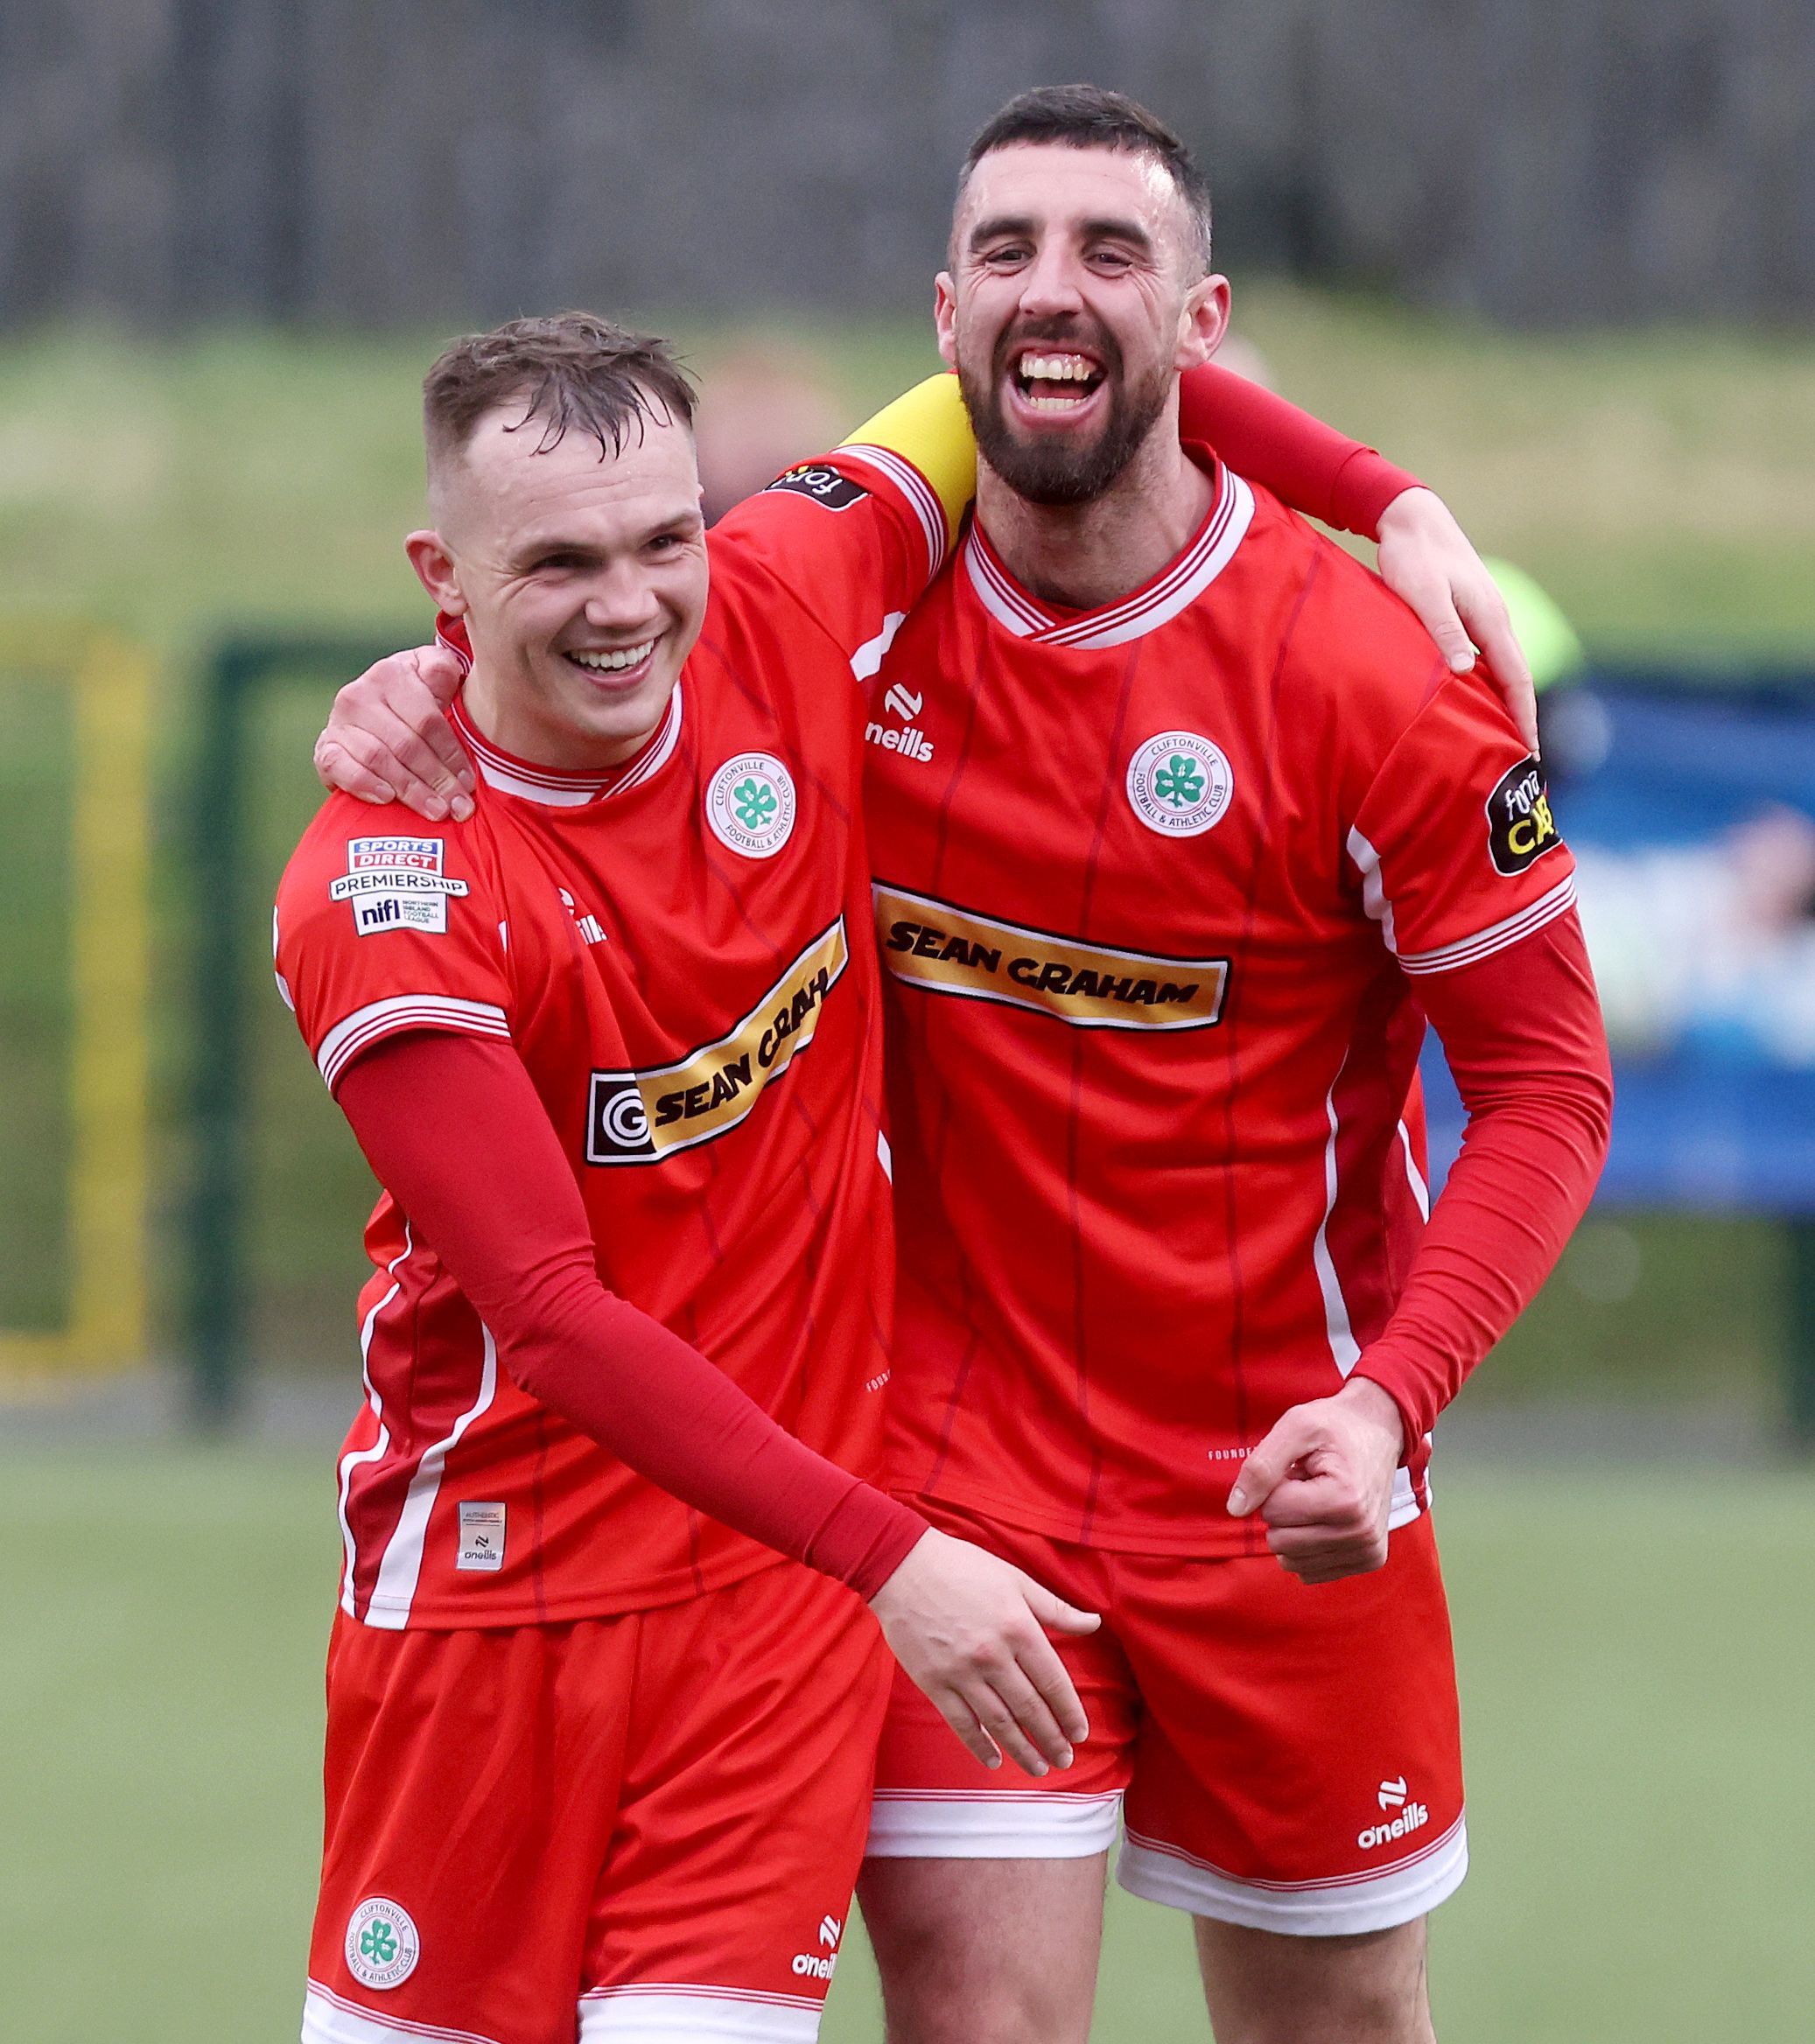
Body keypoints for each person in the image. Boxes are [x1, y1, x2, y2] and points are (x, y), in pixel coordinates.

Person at [312, 88, 1606, 2044]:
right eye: (1003, 253)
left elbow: (1545, 1086)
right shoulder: (832, 592)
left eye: (1109, 254)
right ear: (939, 312)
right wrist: (435, 679)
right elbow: (581, 596)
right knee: (977, 2015)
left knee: (1335, 2021)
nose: (1049, 294)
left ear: (1202, 312)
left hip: (1281, 1469)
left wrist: (1391, 1395)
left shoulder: (1373, 676)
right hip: (938, 1481)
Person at [277, 317, 1104, 2044]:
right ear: (443, 573)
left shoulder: (790, 595)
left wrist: (1384, 502)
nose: (629, 601)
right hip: (494, 1616)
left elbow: (1044, 361)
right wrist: (899, 1562)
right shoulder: (387, 886)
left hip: (765, 1599)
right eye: (556, 562)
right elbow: (555, 1323)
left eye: (663, 542)